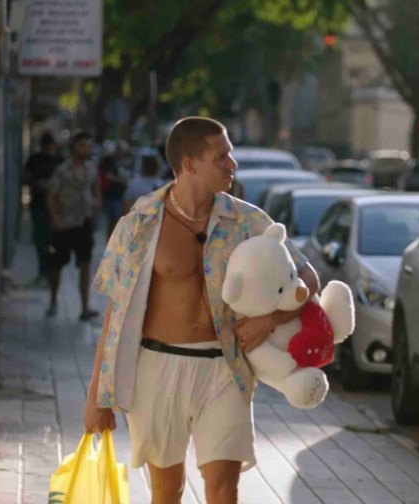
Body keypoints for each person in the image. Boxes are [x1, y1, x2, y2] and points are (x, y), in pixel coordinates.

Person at [83, 117, 321, 504]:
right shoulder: (140, 222)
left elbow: (308, 276)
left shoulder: (248, 221)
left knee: (225, 489)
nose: (233, 164)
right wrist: (98, 395)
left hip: (224, 369)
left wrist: (270, 321)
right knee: (167, 491)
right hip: (157, 369)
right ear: (190, 164)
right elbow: (116, 312)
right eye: (222, 156)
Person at [45, 131, 102, 320]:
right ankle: (53, 300)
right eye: (83, 145)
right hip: (65, 222)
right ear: (75, 147)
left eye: (89, 146)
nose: (86, 149)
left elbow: (96, 189)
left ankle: (85, 307)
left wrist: (96, 205)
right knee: (58, 264)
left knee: (85, 264)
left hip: (84, 221)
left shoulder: (92, 168)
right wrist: (55, 218)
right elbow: (52, 194)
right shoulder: (63, 170)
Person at [22, 132, 63, 286]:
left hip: (56, 207)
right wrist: (37, 183)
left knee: (53, 242)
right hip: (39, 205)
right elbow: (25, 176)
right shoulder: (35, 159)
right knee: (41, 241)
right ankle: (43, 271)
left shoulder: (58, 161)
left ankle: (51, 273)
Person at [98, 154, 129, 238]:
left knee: (114, 220)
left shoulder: (115, 168)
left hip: (115, 197)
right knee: (114, 220)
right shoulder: (108, 170)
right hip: (112, 197)